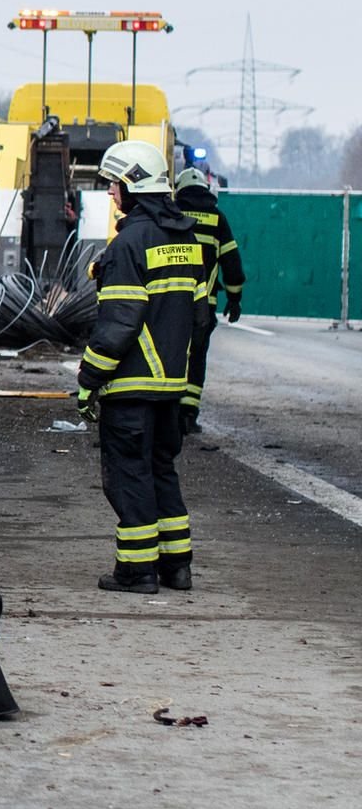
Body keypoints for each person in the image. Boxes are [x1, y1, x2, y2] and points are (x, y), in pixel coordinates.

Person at [76, 141, 206, 594]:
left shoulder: (128, 243)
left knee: (129, 479)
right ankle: (177, 568)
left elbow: (118, 324)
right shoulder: (186, 241)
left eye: (114, 185)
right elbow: (200, 317)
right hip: (171, 387)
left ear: (131, 186)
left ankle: (137, 571)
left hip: (130, 388)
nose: (112, 194)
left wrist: (88, 378)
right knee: (161, 473)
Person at [173, 167, 246, 431]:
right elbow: (232, 263)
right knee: (196, 356)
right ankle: (188, 415)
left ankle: (166, 414)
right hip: (205, 306)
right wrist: (235, 299)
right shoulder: (217, 219)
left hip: (170, 303)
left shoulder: (171, 213)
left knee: (170, 353)